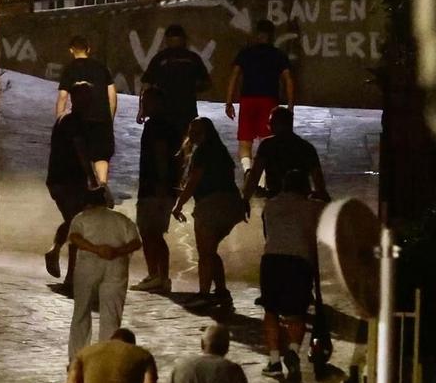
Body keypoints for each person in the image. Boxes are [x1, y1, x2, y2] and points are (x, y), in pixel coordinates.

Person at [170, 118, 245, 309]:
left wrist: (178, 205)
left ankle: (204, 294)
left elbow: (194, 181)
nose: (191, 135)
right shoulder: (220, 150)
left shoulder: (203, 152)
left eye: (195, 131)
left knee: (205, 253)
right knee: (210, 251)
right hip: (231, 204)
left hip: (211, 205)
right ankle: (221, 292)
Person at [258, 170, 323, 379]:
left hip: (272, 260)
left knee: (271, 311)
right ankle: (293, 350)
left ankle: (274, 360)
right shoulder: (312, 207)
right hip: (299, 261)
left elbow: (268, 233)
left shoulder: (270, 205)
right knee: (296, 312)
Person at [65, 187, 141, 362]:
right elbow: (136, 242)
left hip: (88, 266)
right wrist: (117, 251)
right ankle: (107, 359)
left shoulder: (81, 218)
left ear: (87, 203)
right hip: (117, 265)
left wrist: (95, 249)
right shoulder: (122, 219)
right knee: (111, 314)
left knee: (82, 312)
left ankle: (77, 358)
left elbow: (75, 238)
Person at [131, 84, 187, 294]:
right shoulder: (169, 126)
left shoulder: (155, 126)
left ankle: (157, 275)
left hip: (154, 187)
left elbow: (160, 154)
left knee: (150, 232)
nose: (143, 105)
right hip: (164, 187)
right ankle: (159, 275)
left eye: (146, 102)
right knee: (154, 233)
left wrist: (162, 184)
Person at [224, 19, 295, 171]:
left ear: (257, 35)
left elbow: (234, 76)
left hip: (248, 100)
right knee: (266, 141)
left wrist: (229, 102)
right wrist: (290, 106)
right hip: (269, 101)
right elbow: (288, 80)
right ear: (272, 35)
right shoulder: (278, 55)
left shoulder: (246, 53)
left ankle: (248, 170)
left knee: (245, 141)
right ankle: (261, 180)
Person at [56, 34, 118, 187]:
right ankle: (103, 184)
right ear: (88, 49)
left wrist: (59, 120)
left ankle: (90, 182)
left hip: (80, 118)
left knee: (81, 150)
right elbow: (112, 94)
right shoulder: (101, 67)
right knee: (101, 155)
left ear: (71, 50)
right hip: (102, 118)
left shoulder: (69, 70)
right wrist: (110, 116)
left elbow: (63, 97)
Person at [43, 108, 94, 286]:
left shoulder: (62, 119)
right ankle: (71, 276)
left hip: (57, 179)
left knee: (72, 221)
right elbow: (80, 150)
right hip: (70, 180)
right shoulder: (75, 121)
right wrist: (92, 178)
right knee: (77, 226)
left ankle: (55, 251)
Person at [242, 104, 329, 204]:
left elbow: (254, 176)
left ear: (278, 124)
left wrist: (245, 200)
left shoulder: (267, 146)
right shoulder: (307, 147)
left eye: (270, 123)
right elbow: (319, 182)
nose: (269, 126)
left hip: (275, 201)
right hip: (302, 202)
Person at [139, 23, 211, 125]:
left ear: (167, 40)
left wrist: (142, 110)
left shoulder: (160, 58)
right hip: (187, 110)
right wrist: (190, 88)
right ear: (184, 39)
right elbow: (206, 83)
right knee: (183, 139)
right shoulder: (193, 58)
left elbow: (146, 84)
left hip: (163, 112)